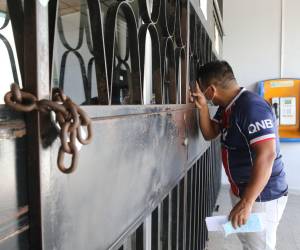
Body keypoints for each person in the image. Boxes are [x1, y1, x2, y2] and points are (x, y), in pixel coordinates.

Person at [191, 60, 288, 250]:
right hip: (246, 191)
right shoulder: (229, 107)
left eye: (202, 92)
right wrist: (202, 107)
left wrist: (247, 202)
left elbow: (267, 154)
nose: (204, 95)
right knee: (249, 242)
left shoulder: (252, 108)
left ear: (211, 90)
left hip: (262, 195)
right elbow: (210, 133)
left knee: (259, 246)